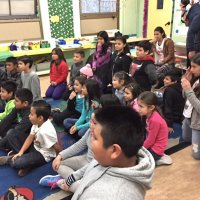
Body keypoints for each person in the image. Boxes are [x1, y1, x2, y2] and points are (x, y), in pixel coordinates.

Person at [56, 106, 155, 200]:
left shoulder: (107, 196)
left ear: (114, 151)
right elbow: (91, 166)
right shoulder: (109, 159)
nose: (91, 141)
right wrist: (71, 179)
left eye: (94, 137)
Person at [39, 95, 121, 189]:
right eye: (91, 121)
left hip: (97, 169)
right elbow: (80, 144)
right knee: (57, 164)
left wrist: (72, 178)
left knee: (85, 189)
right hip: (86, 160)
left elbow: (97, 164)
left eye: (94, 123)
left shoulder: (111, 136)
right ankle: (74, 183)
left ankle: (63, 183)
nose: (90, 124)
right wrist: (60, 155)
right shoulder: (93, 128)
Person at [0, 100, 60, 176]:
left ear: (40, 118)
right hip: (34, 146)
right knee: (11, 133)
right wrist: (21, 152)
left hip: (42, 154)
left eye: (31, 114)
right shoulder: (36, 123)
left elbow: (57, 147)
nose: (29, 116)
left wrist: (59, 158)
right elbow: (30, 137)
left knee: (17, 162)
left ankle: (10, 160)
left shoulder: (46, 131)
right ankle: (26, 161)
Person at [137, 91, 172, 165]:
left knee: (137, 161)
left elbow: (151, 140)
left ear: (151, 107)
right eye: (138, 105)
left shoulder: (155, 120)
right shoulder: (148, 115)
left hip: (156, 150)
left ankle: (158, 159)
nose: (138, 109)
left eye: (141, 106)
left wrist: (141, 149)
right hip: (152, 146)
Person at [181, 52, 200, 159]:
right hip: (188, 117)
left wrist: (188, 89)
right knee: (186, 139)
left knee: (196, 155)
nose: (191, 70)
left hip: (197, 122)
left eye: (194, 67)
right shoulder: (196, 79)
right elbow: (185, 96)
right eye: (191, 66)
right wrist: (185, 82)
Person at [162, 69, 185, 140]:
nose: (164, 80)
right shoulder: (181, 88)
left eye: (167, 79)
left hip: (172, 122)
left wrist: (169, 124)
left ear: (174, 81)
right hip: (180, 120)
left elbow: (168, 107)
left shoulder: (169, 90)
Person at [180, 0, 200, 66]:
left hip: (194, 45)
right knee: (193, 68)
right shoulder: (194, 8)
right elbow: (187, 24)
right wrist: (183, 12)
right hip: (194, 45)